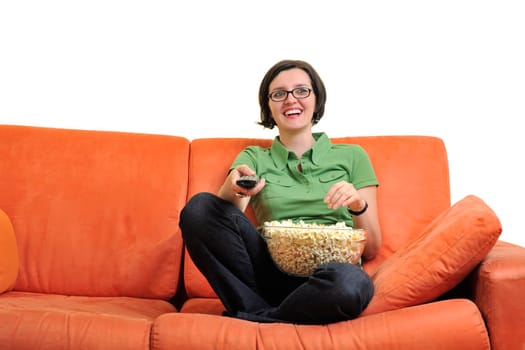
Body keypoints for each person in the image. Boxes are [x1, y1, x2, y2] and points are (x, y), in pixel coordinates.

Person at [179, 59, 382, 324]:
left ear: (317, 98)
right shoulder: (254, 156)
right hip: (269, 272)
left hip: (329, 276)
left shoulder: (353, 156)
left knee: (349, 283)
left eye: (301, 90)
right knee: (199, 208)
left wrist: (357, 203)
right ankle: (280, 315)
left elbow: (372, 249)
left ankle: (260, 316)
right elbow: (225, 220)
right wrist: (237, 188)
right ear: (268, 107)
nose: (290, 100)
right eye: (279, 94)